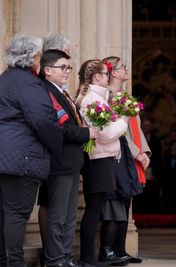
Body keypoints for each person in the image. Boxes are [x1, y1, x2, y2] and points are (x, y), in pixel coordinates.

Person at [0, 34, 63, 267]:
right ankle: (14, 263)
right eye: (38, 56)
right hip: (22, 160)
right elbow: (44, 121)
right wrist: (57, 147)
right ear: (30, 58)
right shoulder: (29, 83)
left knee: (5, 214)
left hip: (6, 158)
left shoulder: (5, 78)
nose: (40, 60)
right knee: (17, 214)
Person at [39, 49, 99, 267]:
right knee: (57, 216)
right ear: (47, 70)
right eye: (62, 67)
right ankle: (55, 259)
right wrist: (86, 133)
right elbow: (57, 128)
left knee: (68, 216)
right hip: (60, 162)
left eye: (68, 67)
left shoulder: (60, 91)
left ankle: (65, 257)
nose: (67, 72)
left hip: (72, 161)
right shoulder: (46, 92)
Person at [76, 59, 129, 267]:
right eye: (106, 74)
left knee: (95, 209)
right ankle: (87, 258)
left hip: (103, 157)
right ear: (98, 76)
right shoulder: (91, 99)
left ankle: (88, 257)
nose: (109, 77)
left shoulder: (97, 96)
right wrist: (123, 121)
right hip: (98, 159)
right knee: (94, 209)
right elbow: (105, 134)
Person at [98, 56, 150, 265]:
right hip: (118, 155)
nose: (127, 69)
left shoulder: (124, 96)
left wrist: (144, 151)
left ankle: (120, 250)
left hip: (131, 155)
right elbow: (119, 133)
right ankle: (108, 250)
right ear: (114, 73)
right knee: (115, 203)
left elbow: (134, 128)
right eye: (122, 67)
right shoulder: (108, 97)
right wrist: (137, 152)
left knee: (125, 203)